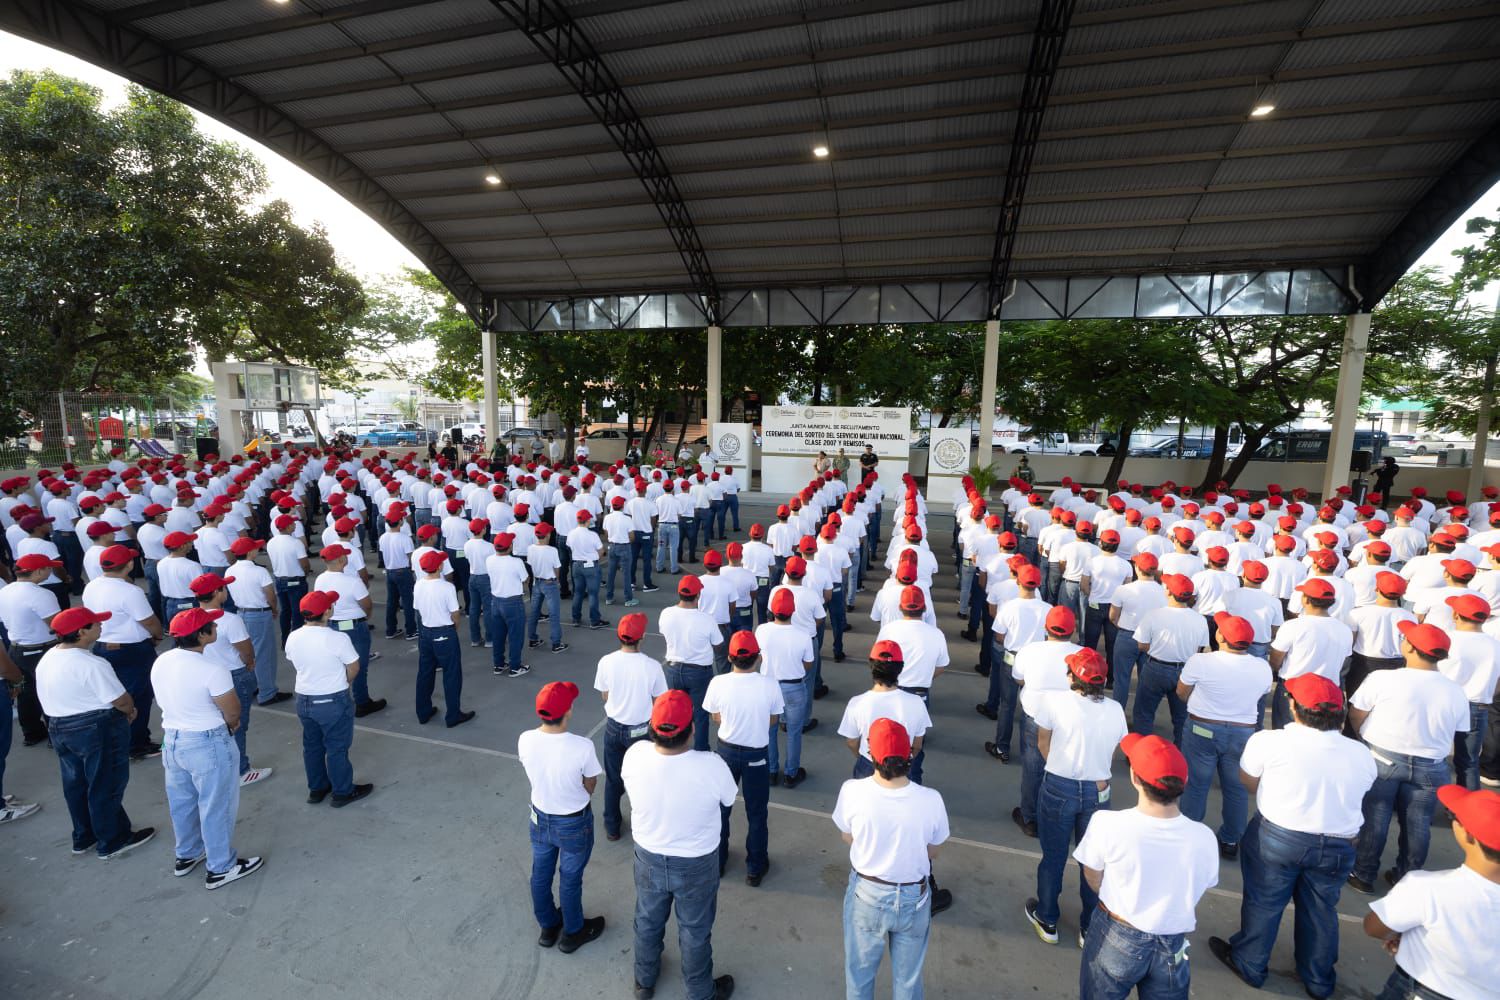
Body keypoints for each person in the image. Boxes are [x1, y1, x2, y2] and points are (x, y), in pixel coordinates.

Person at [1209, 674, 1377, 999]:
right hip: (1338, 844)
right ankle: (1318, 978)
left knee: (1264, 901)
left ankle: (1250, 962)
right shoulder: (1360, 754)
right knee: (1321, 909)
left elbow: (1248, 782)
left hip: (1278, 837)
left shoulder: (1268, 741)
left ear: (1294, 707)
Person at [1074, 734, 1220, 997]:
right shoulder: (1204, 838)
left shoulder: (1107, 824)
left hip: (1117, 932)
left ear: (1134, 778)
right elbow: (1203, 884)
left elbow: (1092, 875)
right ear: (1184, 782)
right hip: (1172, 943)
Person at [622, 689, 738, 1000]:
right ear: (692, 729)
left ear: (652, 727)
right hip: (696, 864)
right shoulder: (712, 765)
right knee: (695, 930)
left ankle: (644, 981)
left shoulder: (635, 755)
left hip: (648, 857)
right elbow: (728, 799)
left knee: (647, 920)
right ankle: (699, 992)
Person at [1348, 621, 1470, 893]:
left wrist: (1362, 738)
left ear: (1410, 648)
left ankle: (1363, 873)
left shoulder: (1382, 678)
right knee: (1418, 823)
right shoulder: (1455, 690)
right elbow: (1459, 730)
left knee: (1375, 816)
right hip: (1431, 766)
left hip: (1382, 758)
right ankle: (1407, 877)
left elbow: (1356, 714)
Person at [833, 717, 949, 1000]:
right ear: (909, 753)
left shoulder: (852, 791)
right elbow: (933, 850)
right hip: (913, 899)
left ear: (871, 753)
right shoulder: (931, 799)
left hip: (867, 895)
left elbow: (847, 835)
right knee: (908, 982)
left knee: (859, 977)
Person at [152, 608, 264, 888]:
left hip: (173, 740)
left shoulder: (162, 660)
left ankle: (188, 853)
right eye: (212, 626)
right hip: (207, 742)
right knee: (217, 805)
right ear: (202, 635)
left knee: (182, 802)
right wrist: (231, 724)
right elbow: (232, 711)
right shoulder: (213, 669)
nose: (216, 628)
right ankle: (220, 867)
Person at [35, 606, 156, 858]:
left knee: (76, 784)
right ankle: (113, 839)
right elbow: (120, 699)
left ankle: (84, 836)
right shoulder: (91, 663)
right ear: (81, 632)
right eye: (96, 624)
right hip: (95, 727)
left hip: (59, 725)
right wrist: (130, 710)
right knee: (105, 783)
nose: (101, 627)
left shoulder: (49, 657)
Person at [1027, 648, 1127, 947]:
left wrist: (1060, 767)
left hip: (1059, 786)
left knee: (1053, 856)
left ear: (1072, 677)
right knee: (1093, 860)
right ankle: (1088, 927)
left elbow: (1042, 742)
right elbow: (1115, 749)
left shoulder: (1053, 702)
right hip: (1098, 790)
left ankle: (1047, 919)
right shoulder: (1115, 710)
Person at [1363, 784, 1500, 1000]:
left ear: (1468, 836)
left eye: (1454, 817)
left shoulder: (1426, 887)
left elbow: (1374, 926)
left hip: (1421, 989)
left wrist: (1404, 937)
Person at [1175, 612, 1274, 858]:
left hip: (1202, 728)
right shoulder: (1262, 667)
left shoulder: (1200, 661)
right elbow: (1260, 694)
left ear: (1220, 636)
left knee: (1196, 784)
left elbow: (1181, 692)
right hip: (1242, 732)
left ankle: (1190, 836)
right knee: (1236, 788)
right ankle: (1231, 840)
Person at [519, 681, 606, 953]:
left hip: (540, 817)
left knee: (540, 874)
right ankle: (573, 931)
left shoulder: (526, 739)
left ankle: (548, 926)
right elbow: (590, 783)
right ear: (568, 711)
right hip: (573, 822)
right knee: (570, 878)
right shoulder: (582, 746)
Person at [703, 630, 782, 886]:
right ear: (758, 657)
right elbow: (773, 720)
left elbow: (715, 716)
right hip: (756, 755)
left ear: (730, 657)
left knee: (721, 809)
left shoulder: (718, 683)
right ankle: (755, 867)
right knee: (757, 812)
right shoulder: (770, 685)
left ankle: (718, 861)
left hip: (726, 752)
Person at [284, 590, 373, 807]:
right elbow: (354, 666)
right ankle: (342, 792)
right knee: (336, 747)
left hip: (304, 700)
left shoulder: (293, 636)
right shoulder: (337, 638)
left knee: (312, 746)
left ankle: (317, 788)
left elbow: (294, 660)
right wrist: (343, 683)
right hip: (332, 700)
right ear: (327, 612)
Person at [82, 544, 164, 760]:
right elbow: (149, 621)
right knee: (139, 697)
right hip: (132, 651)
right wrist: (157, 636)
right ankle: (136, 744)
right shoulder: (130, 591)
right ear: (128, 565)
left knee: (114, 696)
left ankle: (121, 740)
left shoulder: (92, 586)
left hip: (103, 646)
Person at [593, 613, 667, 842]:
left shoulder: (606, 662)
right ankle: (646, 824)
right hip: (642, 732)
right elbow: (660, 700)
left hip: (614, 728)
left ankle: (612, 826)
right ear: (642, 637)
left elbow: (605, 695)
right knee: (644, 778)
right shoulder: (652, 667)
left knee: (613, 779)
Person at [193, 573, 272, 786]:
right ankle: (240, 771)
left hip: (203, 677)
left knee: (214, 723)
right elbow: (245, 650)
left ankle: (218, 767)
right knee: (237, 724)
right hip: (233, 676)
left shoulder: (190, 618)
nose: (226, 591)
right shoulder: (230, 620)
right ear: (217, 592)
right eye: (223, 588)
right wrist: (250, 663)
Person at [1131, 573, 1208, 745]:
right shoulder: (1200, 620)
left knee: (1144, 713)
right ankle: (1180, 753)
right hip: (1185, 671)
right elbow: (1199, 650)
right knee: (1181, 718)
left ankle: (1140, 753)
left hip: (1155, 667)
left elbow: (1142, 645)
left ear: (1168, 592)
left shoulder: (1153, 615)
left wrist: (1159, 650)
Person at [312, 545, 384, 717]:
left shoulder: (320, 579)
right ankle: (362, 702)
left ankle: (338, 700)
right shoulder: (353, 581)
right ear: (341, 560)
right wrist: (366, 616)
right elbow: (367, 604)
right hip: (354, 627)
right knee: (358, 665)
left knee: (337, 665)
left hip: (331, 625)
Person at [0, 553, 64, 748]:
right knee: (50, 692)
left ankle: (32, 733)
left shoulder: (5, 590)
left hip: (16, 648)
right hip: (42, 650)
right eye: (48, 568)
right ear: (38, 571)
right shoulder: (42, 595)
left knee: (25, 694)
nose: (50, 571)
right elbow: (57, 626)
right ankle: (56, 736)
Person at [756, 588, 815, 788]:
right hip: (794, 687)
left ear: (772, 609)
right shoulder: (803, 634)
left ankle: (771, 771)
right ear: (793, 610)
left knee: (769, 730)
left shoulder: (762, 630)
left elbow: (759, 656)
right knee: (794, 732)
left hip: (768, 686)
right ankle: (791, 773)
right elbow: (808, 664)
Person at [660, 574, 723, 752]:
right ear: (698, 595)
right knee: (700, 714)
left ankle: (674, 747)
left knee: (675, 711)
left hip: (673, 669)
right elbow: (718, 645)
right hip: (699, 672)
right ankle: (701, 750)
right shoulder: (706, 619)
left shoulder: (666, 614)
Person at [412, 550, 475, 728]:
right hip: (444, 633)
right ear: (439, 566)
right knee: (451, 674)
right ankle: (453, 715)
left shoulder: (418, 585)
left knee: (425, 673)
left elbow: (418, 609)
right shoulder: (447, 587)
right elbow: (455, 614)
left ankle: (423, 712)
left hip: (425, 633)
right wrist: (452, 629)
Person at [485, 532, 530, 677]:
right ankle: (515, 666)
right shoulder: (516, 562)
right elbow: (525, 579)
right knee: (515, 636)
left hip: (496, 601)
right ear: (510, 547)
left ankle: (498, 664)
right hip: (513, 602)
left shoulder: (489, 560)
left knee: (498, 635)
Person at [566, 509, 607, 630]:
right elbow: (601, 550)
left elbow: (569, 547)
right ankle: (594, 621)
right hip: (591, 566)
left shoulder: (571, 533)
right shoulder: (592, 535)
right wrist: (594, 559)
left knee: (578, 593)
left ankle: (576, 618)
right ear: (587, 520)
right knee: (593, 594)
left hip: (576, 565)